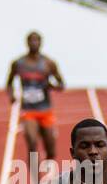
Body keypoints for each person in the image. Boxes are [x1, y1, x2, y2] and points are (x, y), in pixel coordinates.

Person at [6, 31, 64, 161]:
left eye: (36, 40)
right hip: (28, 110)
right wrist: (12, 96)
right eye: (31, 40)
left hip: (45, 109)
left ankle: (49, 168)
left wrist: (51, 86)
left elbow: (62, 85)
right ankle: (35, 176)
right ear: (27, 43)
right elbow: (9, 83)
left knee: (51, 148)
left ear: (41, 43)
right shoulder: (18, 63)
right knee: (32, 143)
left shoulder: (49, 63)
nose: (34, 43)